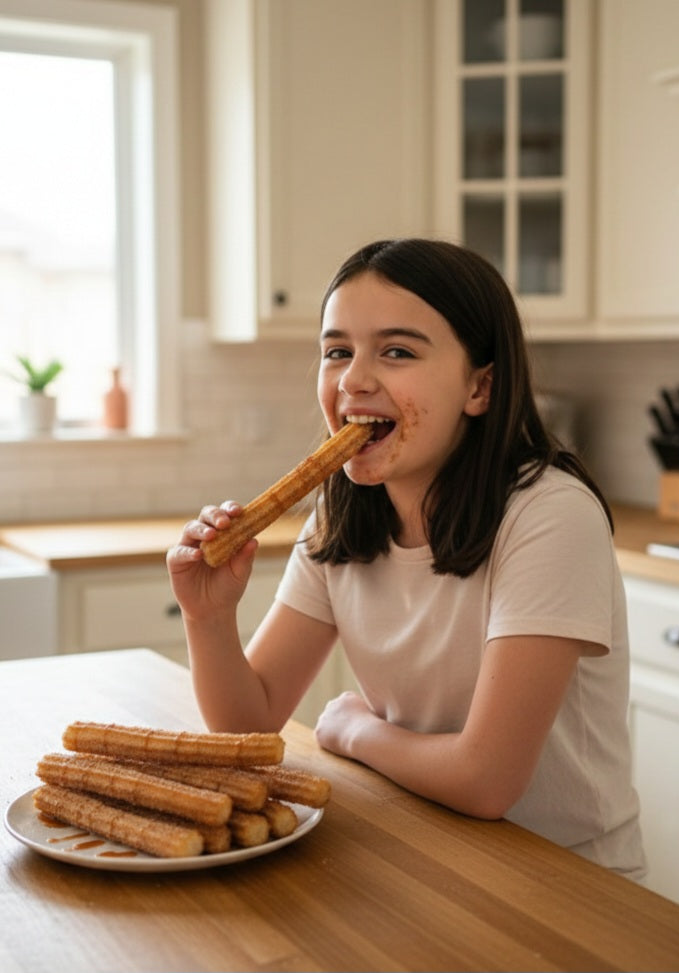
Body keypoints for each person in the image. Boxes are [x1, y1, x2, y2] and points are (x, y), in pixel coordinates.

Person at [167, 238, 646, 879]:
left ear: (481, 386)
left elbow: (486, 781)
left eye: (397, 351)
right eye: (337, 351)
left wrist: (352, 731)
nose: (354, 380)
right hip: (430, 850)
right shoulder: (341, 518)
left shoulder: (549, 517)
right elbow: (244, 729)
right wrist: (208, 618)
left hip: (569, 884)